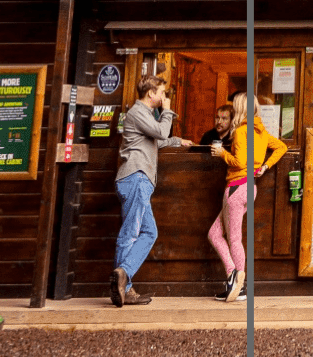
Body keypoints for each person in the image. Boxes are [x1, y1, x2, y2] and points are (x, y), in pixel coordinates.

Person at [110, 76, 193, 308]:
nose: (164, 97)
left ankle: (123, 279)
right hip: (135, 177)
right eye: (162, 93)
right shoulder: (138, 112)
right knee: (131, 233)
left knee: (148, 232)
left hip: (139, 179)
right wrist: (167, 112)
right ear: (151, 94)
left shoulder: (144, 115)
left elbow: (156, 140)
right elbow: (160, 133)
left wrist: (179, 141)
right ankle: (124, 284)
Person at [208, 92, 287, 302]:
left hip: (236, 187)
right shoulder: (261, 131)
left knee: (232, 238)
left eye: (234, 107)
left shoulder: (242, 131)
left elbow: (240, 162)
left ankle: (238, 284)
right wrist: (265, 166)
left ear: (240, 109)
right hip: (249, 188)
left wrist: (221, 153)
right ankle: (235, 279)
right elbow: (282, 147)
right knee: (215, 233)